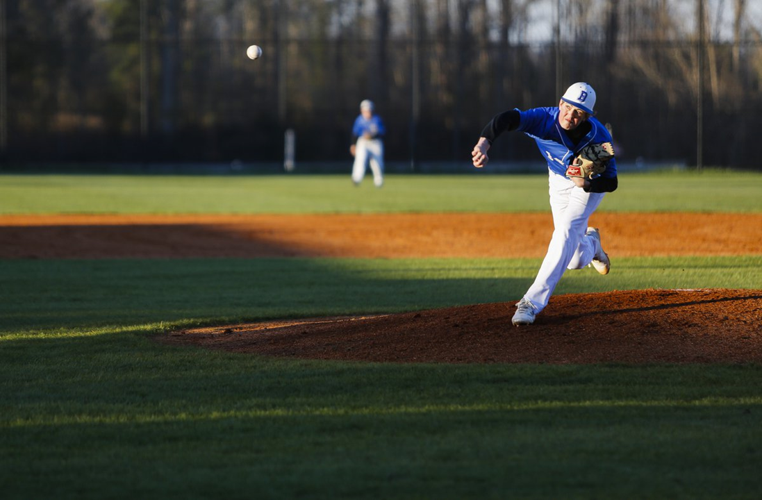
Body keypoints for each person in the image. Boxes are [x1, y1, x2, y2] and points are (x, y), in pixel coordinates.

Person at [471, 82, 618, 326]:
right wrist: (484, 143)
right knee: (574, 260)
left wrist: (586, 184)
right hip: (558, 180)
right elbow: (506, 119)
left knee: (565, 231)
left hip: (589, 187)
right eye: (568, 108)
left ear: (587, 117)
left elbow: (611, 182)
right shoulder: (543, 119)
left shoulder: (598, 139)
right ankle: (592, 244)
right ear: (560, 103)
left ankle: (531, 302)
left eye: (578, 113)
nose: (570, 116)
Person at [350, 99, 386, 187]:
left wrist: (372, 136)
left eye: (369, 110)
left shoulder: (377, 119)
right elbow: (354, 133)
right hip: (363, 142)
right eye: (365, 110)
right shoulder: (359, 120)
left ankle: (378, 181)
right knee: (360, 159)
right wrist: (353, 145)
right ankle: (356, 178)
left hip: (375, 143)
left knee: (377, 162)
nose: (367, 112)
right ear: (362, 110)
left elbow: (382, 132)